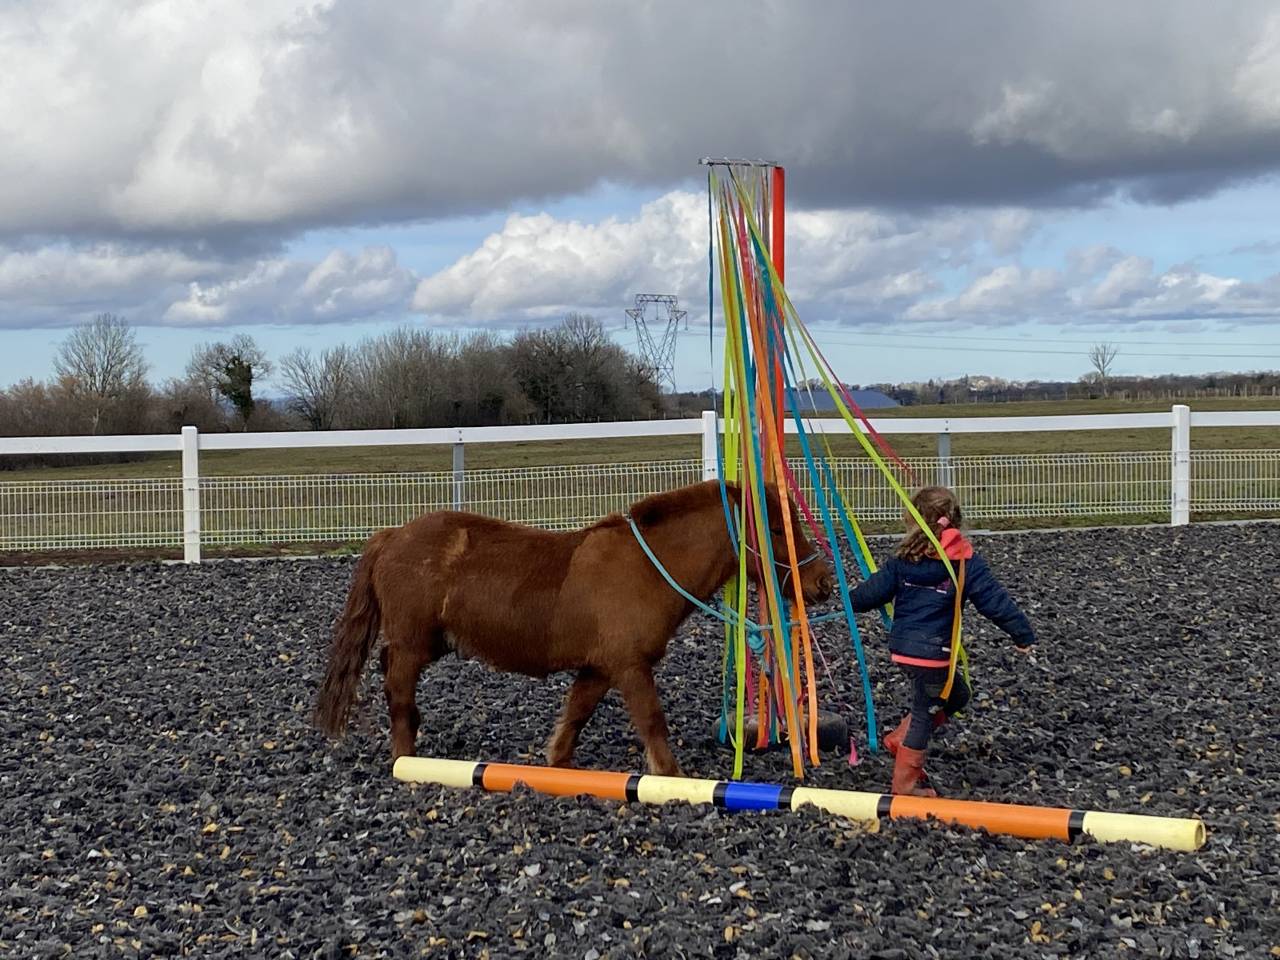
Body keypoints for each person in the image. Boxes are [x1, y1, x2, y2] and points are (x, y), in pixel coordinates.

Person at [851, 486, 1036, 797]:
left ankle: (901, 738)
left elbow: (870, 595)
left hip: (904, 650)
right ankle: (905, 786)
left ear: (912, 522)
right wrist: (1022, 634)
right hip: (934, 655)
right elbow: (994, 601)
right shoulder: (965, 562)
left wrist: (847, 597)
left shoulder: (902, 561)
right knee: (925, 709)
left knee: (958, 695)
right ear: (955, 520)